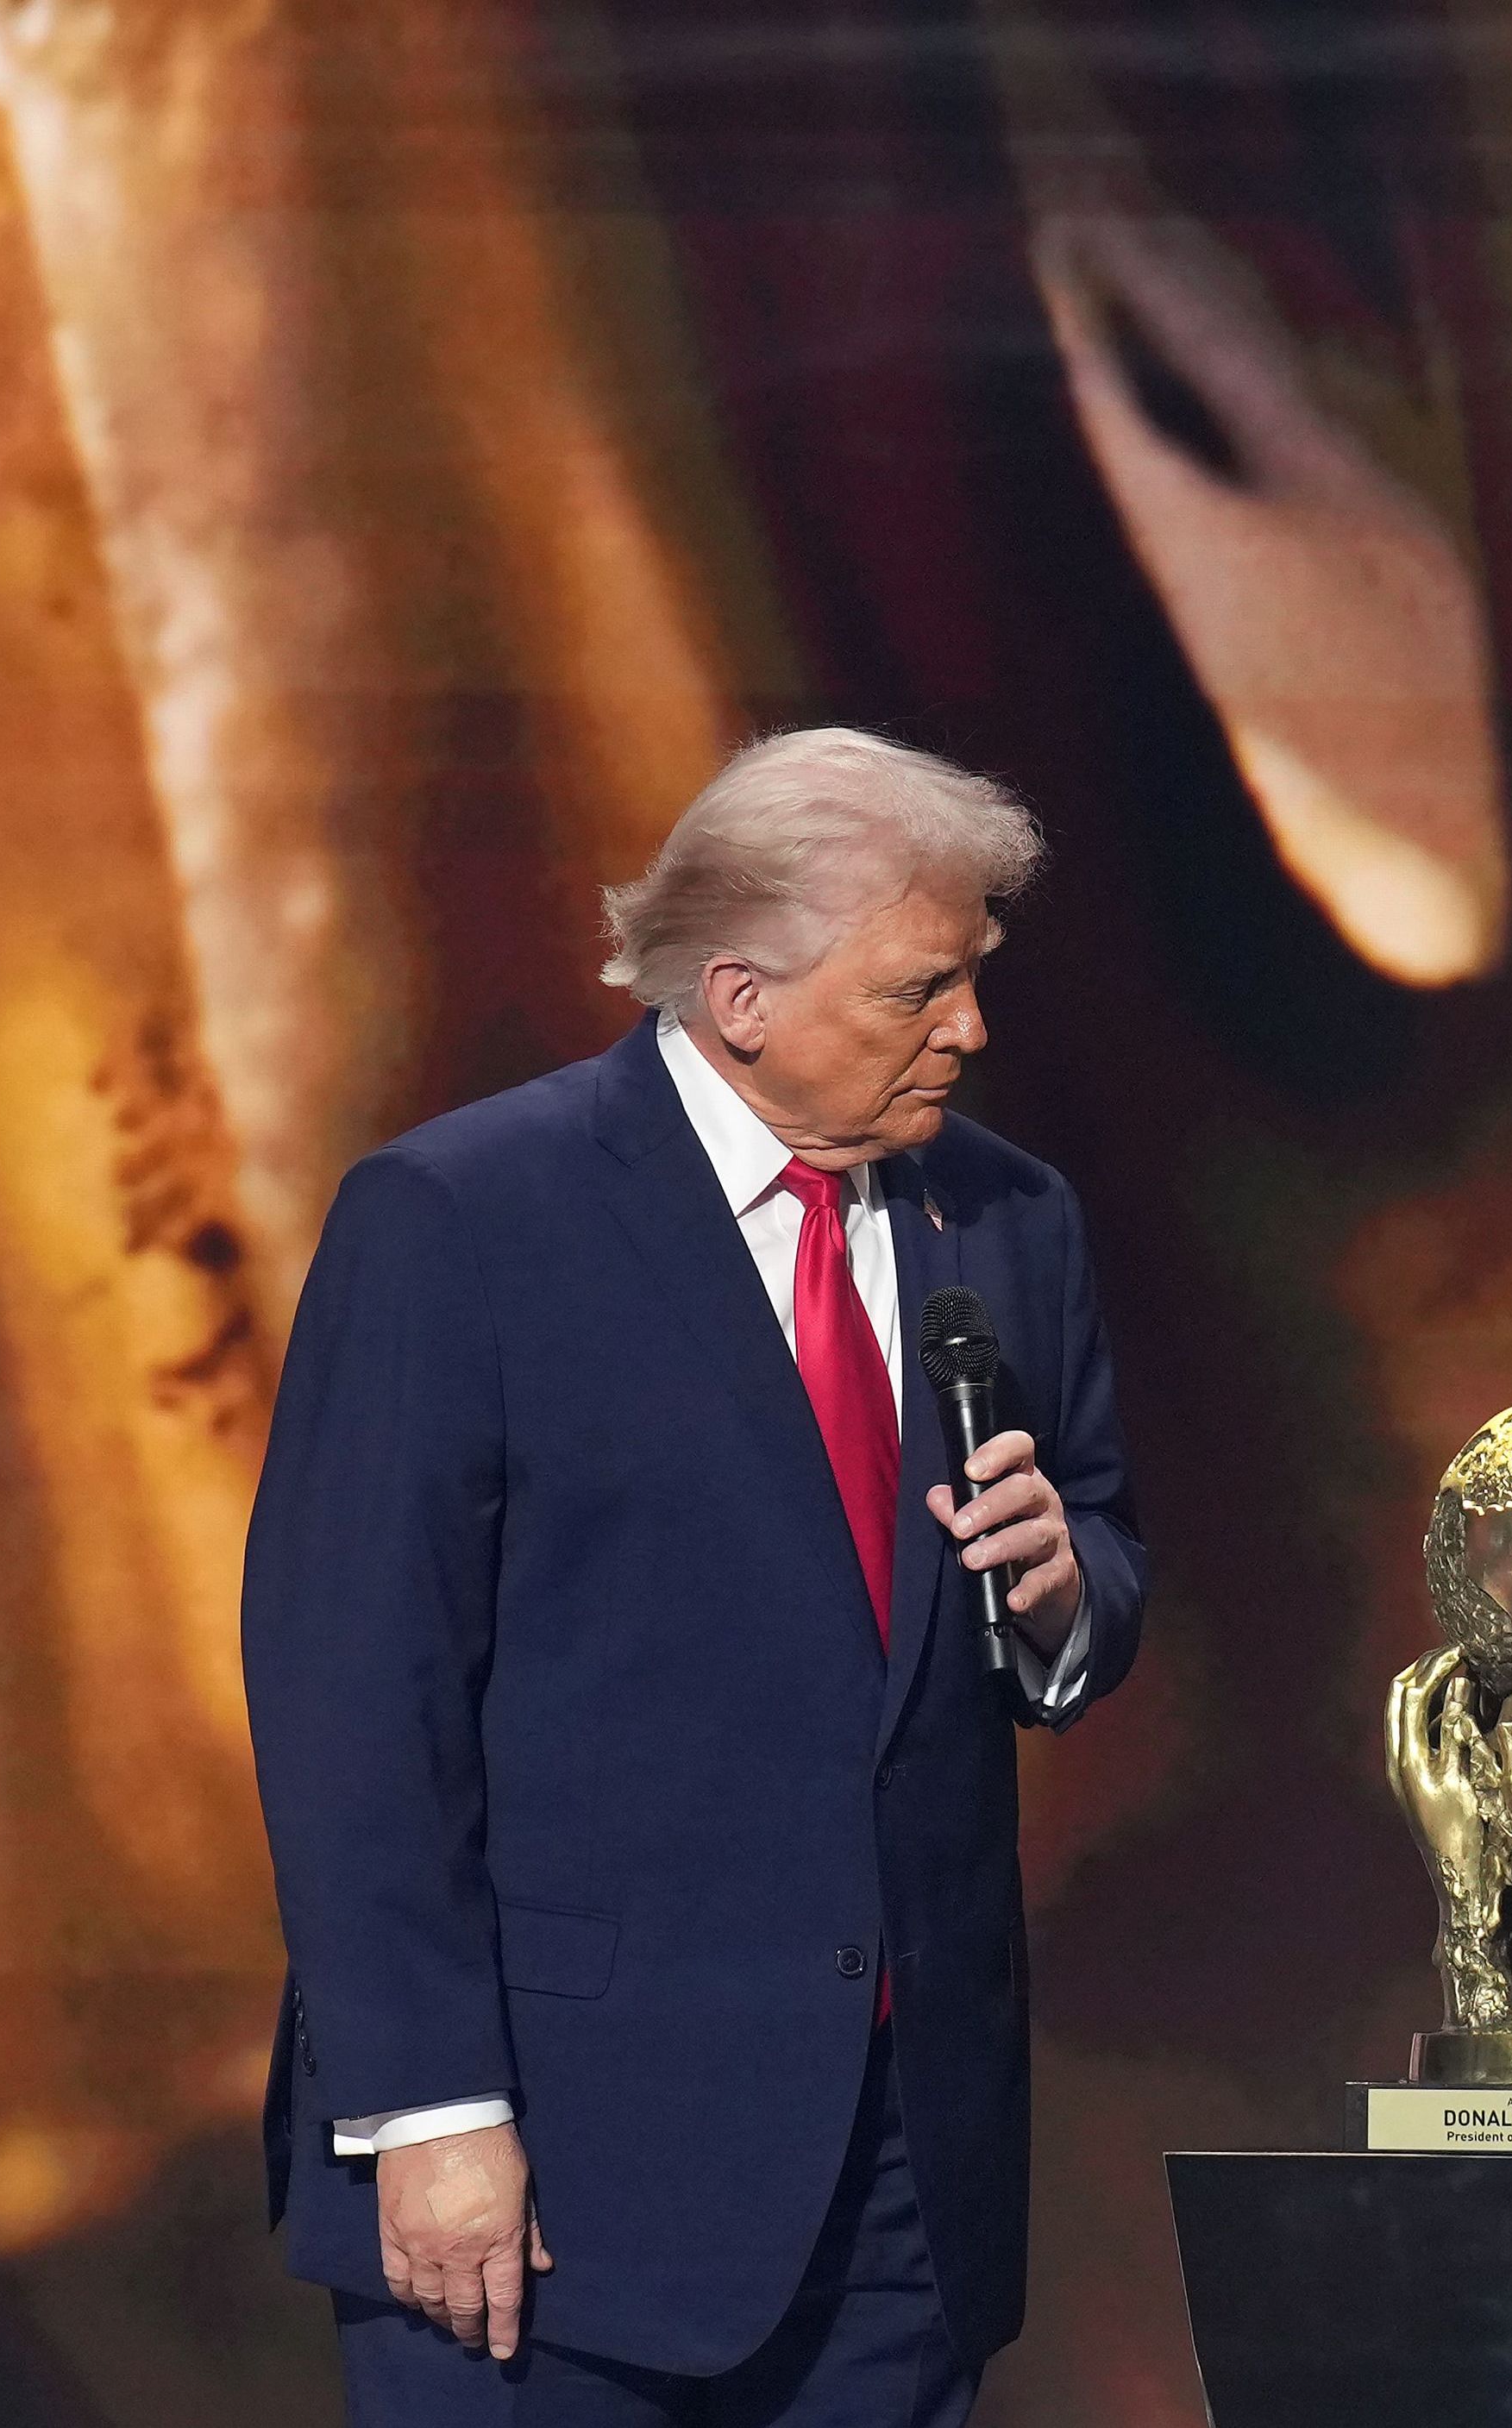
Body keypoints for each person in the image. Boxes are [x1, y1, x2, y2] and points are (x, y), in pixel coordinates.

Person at [243, 726, 1146, 2424]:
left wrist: (1060, 1592)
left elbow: (1096, 1535)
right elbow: (352, 1698)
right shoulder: (464, 1218)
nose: (970, 1028)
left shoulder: (1008, 1218)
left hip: (904, 2187)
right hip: (553, 2182)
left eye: (975, 976)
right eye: (920, 989)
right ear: (741, 999)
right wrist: (431, 2111)